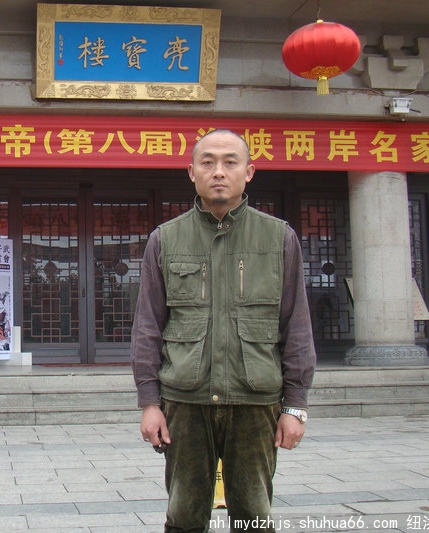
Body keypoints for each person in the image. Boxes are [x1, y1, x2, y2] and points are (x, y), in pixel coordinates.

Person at [130, 129, 316, 533]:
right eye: (208, 162)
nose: (219, 171)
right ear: (191, 172)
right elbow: (148, 327)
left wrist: (295, 406)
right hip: (185, 402)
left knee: (253, 517)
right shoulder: (165, 239)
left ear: (248, 172)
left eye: (230, 162)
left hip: (255, 402)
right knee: (183, 517)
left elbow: (296, 325)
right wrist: (149, 402)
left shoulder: (279, 238)